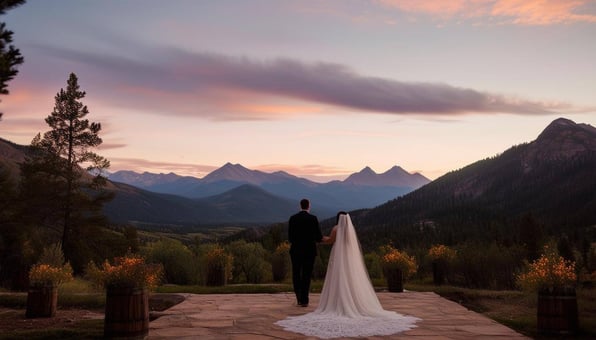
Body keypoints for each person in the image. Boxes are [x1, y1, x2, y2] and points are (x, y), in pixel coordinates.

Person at [276, 211, 420, 338]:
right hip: (348, 257)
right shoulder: (350, 231)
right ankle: (351, 300)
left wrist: (320, 239)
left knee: (337, 278)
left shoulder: (336, 228)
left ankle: (333, 301)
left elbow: (330, 241)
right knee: (350, 278)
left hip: (338, 256)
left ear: (338, 219)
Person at [287, 198, 326, 307]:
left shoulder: (293, 218)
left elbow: (290, 237)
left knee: (296, 274)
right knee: (306, 275)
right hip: (309, 251)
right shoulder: (313, 219)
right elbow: (318, 237)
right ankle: (305, 299)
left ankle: (298, 297)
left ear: (300, 205)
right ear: (309, 206)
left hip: (296, 251)